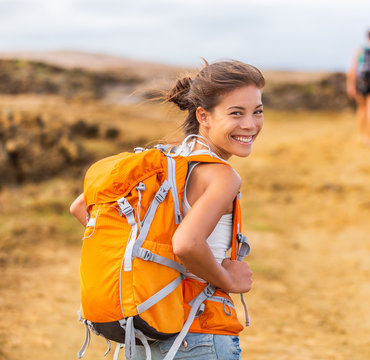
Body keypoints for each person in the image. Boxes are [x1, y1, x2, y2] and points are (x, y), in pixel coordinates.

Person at [70, 59, 265, 360]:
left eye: (257, 111)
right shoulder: (223, 176)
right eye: (236, 113)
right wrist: (228, 280)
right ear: (204, 116)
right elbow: (186, 243)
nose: (250, 124)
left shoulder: (164, 159)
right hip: (200, 333)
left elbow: (81, 207)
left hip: (151, 333)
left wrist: (146, 263)